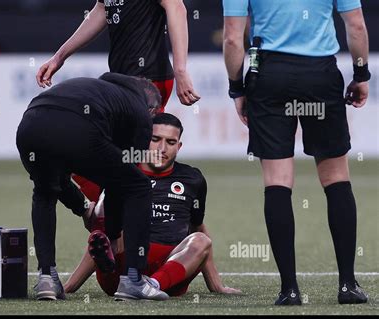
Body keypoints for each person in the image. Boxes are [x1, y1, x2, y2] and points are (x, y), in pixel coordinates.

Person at [223, 0, 370, 305]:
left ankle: (289, 290)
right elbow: (355, 24)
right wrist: (362, 74)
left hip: (269, 75)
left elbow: (232, 38)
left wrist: (237, 88)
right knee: (336, 179)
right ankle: (347, 286)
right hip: (319, 74)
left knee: (277, 182)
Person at [16, 72, 168, 301]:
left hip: (30, 124)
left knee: (45, 191)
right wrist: (114, 234)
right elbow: (121, 185)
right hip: (77, 127)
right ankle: (133, 279)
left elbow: (60, 181)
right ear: (152, 109)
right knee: (139, 186)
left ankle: (46, 278)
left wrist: (84, 208)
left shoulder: (98, 89)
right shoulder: (140, 111)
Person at [36, 0, 201, 203]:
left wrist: (181, 70)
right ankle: (109, 222)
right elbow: (101, 10)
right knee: (114, 157)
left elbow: (176, 6)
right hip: (120, 81)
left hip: (148, 81)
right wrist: (60, 56)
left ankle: (139, 224)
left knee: (132, 159)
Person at [64, 113, 242, 299]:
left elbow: (197, 227)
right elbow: (69, 169)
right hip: (121, 273)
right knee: (108, 222)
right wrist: (67, 287)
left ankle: (150, 285)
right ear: (143, 139)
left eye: (171, 142)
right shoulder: (123, 171)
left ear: (179, 147)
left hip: (171, 275)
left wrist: (216, 285)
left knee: (201, 239)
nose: (162, 148)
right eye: (155, 139)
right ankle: (122, 274)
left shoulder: (193, 179)